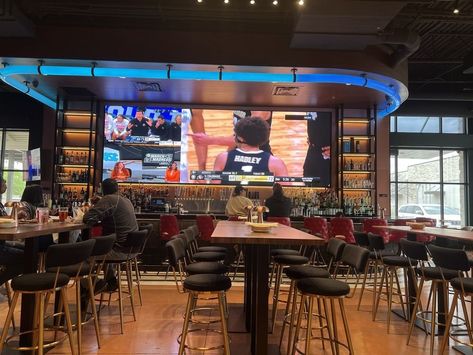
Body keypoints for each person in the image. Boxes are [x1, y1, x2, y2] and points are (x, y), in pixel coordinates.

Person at [83, 178, 138, 288]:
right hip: (131, 249)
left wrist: (99, 204)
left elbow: (88, 219)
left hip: (118, 250)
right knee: (107, 242)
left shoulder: (109, 199)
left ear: (102, 190)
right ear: (117, 188)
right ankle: (110, 280)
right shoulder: (126, 200)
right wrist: (101, 203)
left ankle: (94, 285)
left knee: (84, 253)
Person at [188, 110, 272, 170]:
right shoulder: (241, 96)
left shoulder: (259, 98)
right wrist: (228, 155)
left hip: (259, 158)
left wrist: (211, 140)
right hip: (238, 156)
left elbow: (248, 137)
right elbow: (238, 136)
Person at [214, 116, 288, 176]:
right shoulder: (275, 162)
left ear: (240, 137)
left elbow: (213, 189)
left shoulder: (223, 158)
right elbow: (286, 191)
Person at [0, 179, 23, 286]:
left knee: (29, 251)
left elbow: (3, 219)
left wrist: (15, 217)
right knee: (27, 258)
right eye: (4, 183)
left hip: (2, 243)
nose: (6, 185)